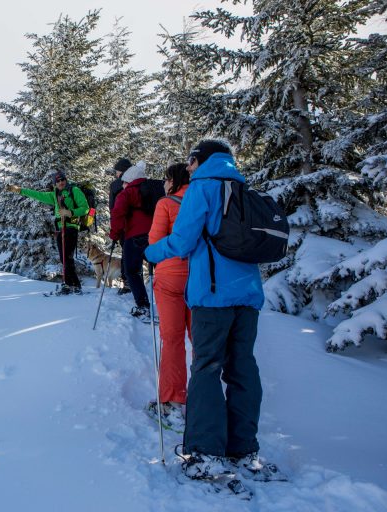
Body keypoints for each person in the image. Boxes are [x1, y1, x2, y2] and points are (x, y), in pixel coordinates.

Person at [144, 139, 278, 481]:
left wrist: (152, 254)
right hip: (248, 295)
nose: (188, 168)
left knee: (206, 367)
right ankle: (243, 449)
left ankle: (205, 451)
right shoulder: (242, 188)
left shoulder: (202, 190)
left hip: (212, 295)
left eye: (191, 162)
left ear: (200, 161)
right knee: (243, 369)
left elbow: (183, 241)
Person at [145, 163, 191, 432]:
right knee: (201, 340)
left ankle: (173, 400)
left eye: (165, 178)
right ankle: (203, 399)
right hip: (198, 277)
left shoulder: (167, 203)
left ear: (173, 180)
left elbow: (155, 241)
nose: (163, 183)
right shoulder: (202, 200)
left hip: (170, 276)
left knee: (172, 338)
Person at [6, 170, 89, 294]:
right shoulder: (54, 195)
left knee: (67, 257)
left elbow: (85, 208)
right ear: (54, 183)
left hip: (71, 227)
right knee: (64, 258)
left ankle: (72, 285)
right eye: (58, 181)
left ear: (65, 180)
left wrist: (70, 212)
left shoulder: (74, 191)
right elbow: (36, 194)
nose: (61, 182)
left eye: (62, 179)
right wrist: (19, 190)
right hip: (60, 228)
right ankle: (71, 285)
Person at [110, 160, 154, 320]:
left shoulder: (127, 193)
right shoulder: (152, 190)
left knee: (131, 271)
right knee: (157, 270)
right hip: (155, 236)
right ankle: (167, 305)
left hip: (134, 237)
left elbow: (117, 214)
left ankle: (143, 306)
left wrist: (114, 234)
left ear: (128, 180)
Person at [109, 158, 132, 295]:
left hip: (124, 226)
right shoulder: (140, 181)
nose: (116, 174)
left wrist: (114, 231)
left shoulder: (116, 185)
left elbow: (114, 210)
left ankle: (127, 282)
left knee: (126, 254)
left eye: (117, 171)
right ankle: (135, 280)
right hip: (141, 227)